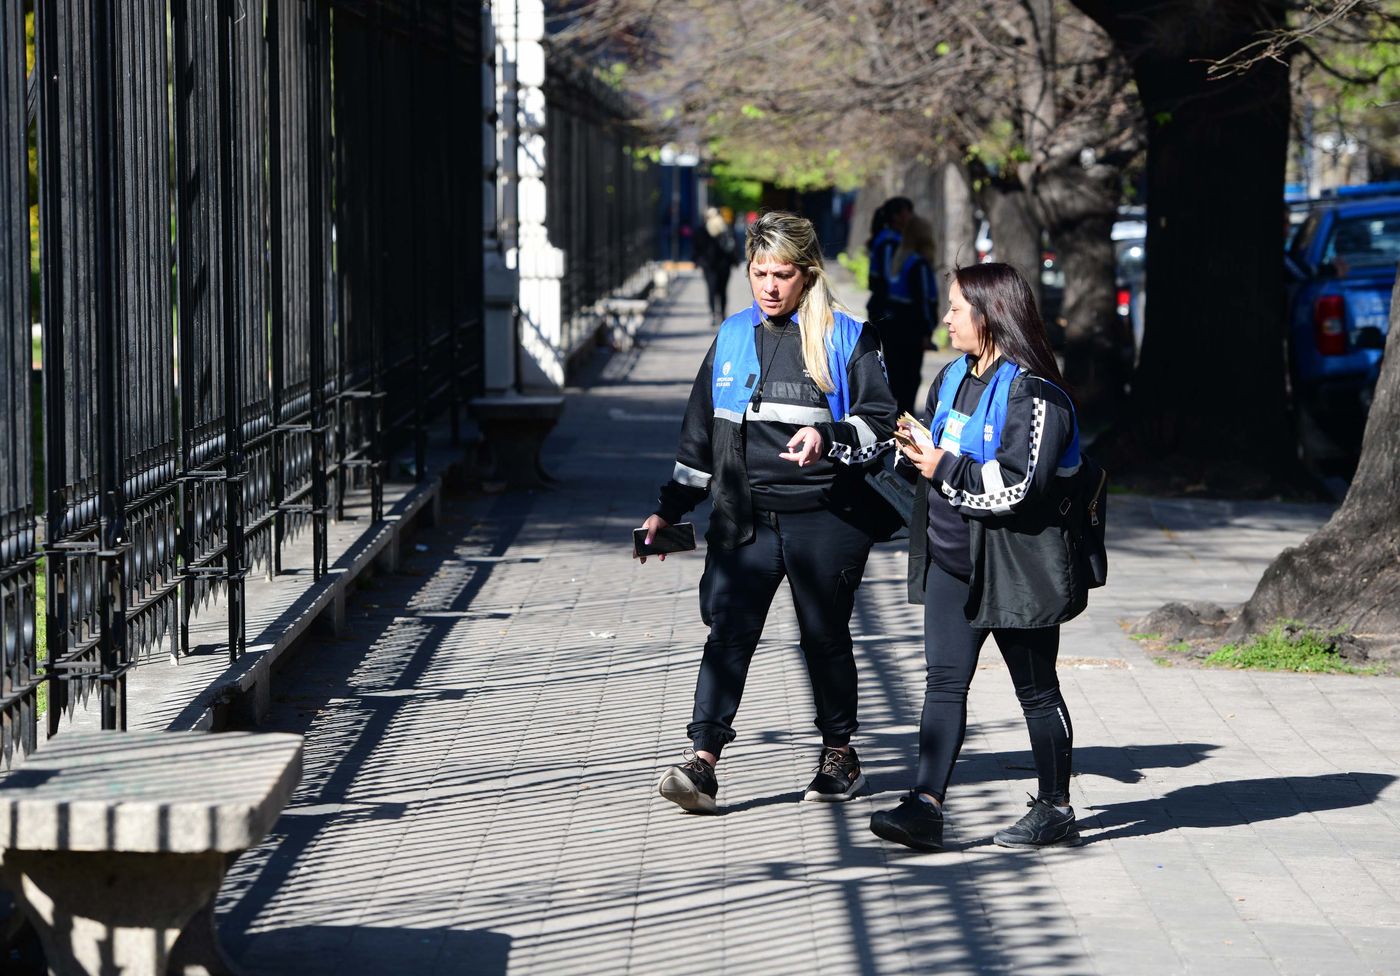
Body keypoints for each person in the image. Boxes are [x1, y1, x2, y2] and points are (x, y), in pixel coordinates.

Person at [639, 210, 898, 814]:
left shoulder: (846, 336)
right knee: (728, 632)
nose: (768, 286)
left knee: (823, 637)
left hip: (827, 514)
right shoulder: (731, 335)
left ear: (807, 275)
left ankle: (839, 753)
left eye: (782, 274)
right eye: (759, 272)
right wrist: (667, 510)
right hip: (745, 515)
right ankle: (702, 763)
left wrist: (828, 437)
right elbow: (698, 436)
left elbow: (880, 421)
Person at [868, 262, 1088, 852]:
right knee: (942, 684)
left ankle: (1055, 808)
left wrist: (943, 466)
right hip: (950, 560)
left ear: (990, 316)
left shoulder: (1038, 394)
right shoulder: (952, 378)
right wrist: (908, 450)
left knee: (1037, 692)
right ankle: (925, 804)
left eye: (957, 309)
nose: (946, 318)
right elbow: (939, 449)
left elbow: (1021, 486)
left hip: (1018, 569)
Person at [883, 214, 939, 414]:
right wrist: (927, 332)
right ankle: (905, 430)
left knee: (895, 382)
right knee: (909, 382)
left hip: (893, 330)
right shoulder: (919, 264)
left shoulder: (900, 260)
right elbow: (923, 301)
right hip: (911, 333)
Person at [865, 197, 913, 327]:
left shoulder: (892, 238)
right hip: (888, 308)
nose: (911, 217)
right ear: (896, 216)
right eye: (908, 212)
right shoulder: (890, 242)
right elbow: (889, 277)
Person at [695, 206, 740, 326]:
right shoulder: (725, 228)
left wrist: (698, 261)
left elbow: (697, 248)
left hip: (711, 266)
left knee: (712, 290)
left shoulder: (703, 229)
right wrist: (735, 261)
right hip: (722, 265)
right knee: (722, 291)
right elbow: (733, 245)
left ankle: (715, 314)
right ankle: (721, 314)